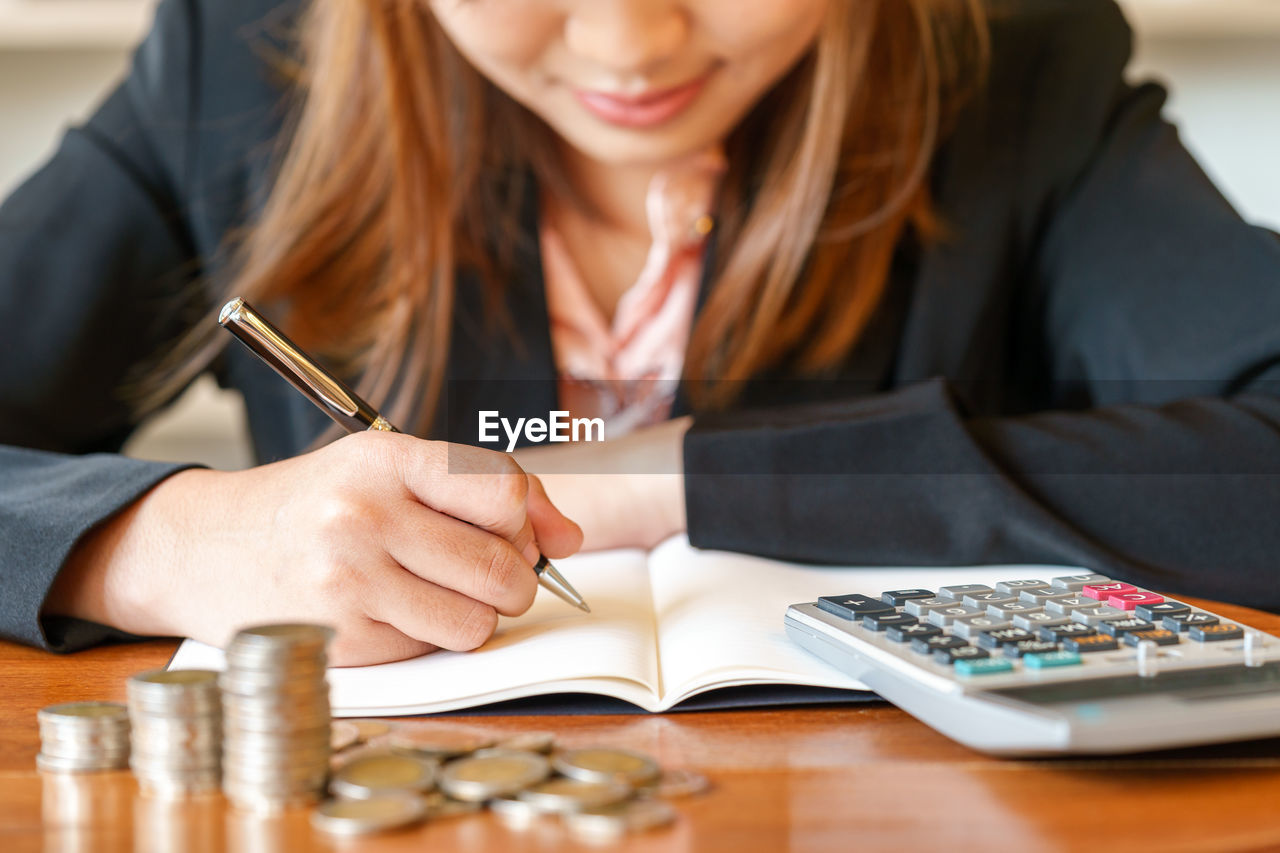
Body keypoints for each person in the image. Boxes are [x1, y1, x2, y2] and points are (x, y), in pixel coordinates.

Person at [2, 0, 1278, 666]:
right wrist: (162, 542)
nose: (628, 44)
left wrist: (658, 475)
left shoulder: (1014, 63)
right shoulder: (239, 58)